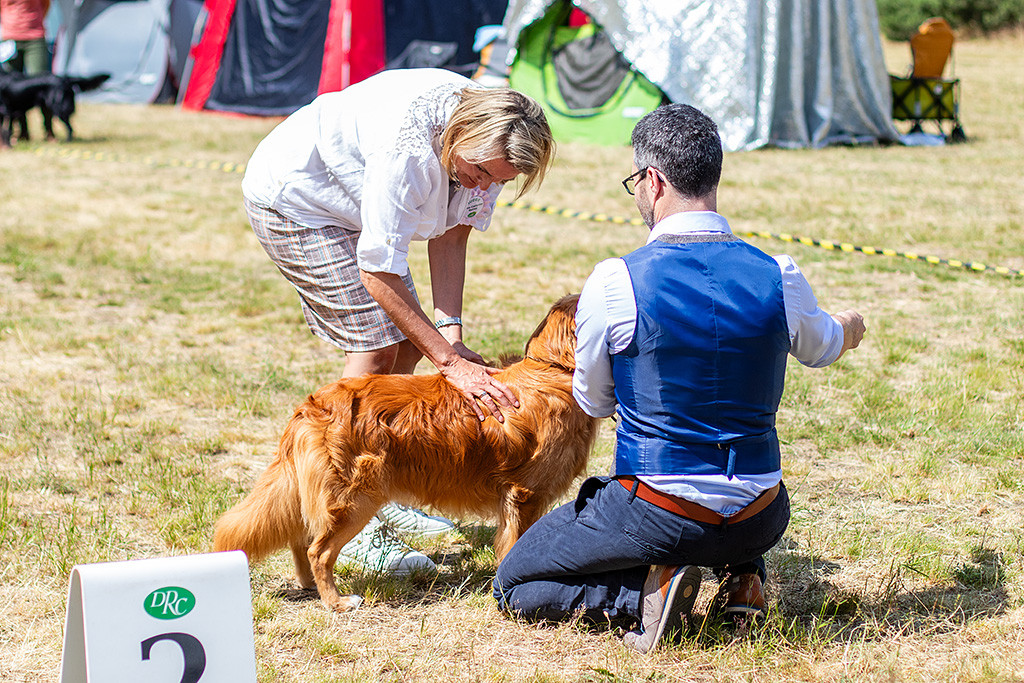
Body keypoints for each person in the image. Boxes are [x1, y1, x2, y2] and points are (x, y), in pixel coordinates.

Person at [493, 103, 865, 652]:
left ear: (652, 180)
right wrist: (850, 324)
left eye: (635, 184)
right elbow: (825, 345)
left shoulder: (615, 280)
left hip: (660, 511)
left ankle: (645, 594)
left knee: (514, 581)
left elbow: (594, 401)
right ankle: (742, 576)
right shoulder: (779, 272)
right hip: (760, 515)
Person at [241, 68, 554, 576]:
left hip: (356, 209)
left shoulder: (485, 152)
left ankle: (386, 482)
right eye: (481, 173)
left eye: (500, 180)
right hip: (299, 200)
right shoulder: (406, 146)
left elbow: (452, 235)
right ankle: (346, 499)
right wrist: (449, 362)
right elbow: (378, 270)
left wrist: (449, 334)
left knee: (412, 345)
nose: (486, 186)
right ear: (461, 137)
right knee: (378, 341)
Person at [0, 0, 51, 77]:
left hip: (35, 38)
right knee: (10, 81)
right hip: (10, 40)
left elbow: (46, 4)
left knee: (38, 79)